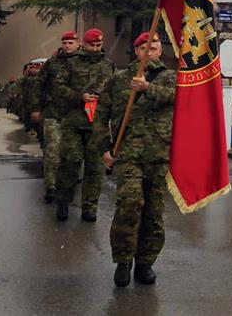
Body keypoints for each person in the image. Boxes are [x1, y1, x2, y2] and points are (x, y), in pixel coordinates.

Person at [97, 32, 175, 287]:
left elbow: (178, 99)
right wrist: (104, 148)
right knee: (129, 205)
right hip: (128, 154)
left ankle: (145, 262)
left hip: (158, 154)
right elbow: (100, 116)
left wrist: (147, 88)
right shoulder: (118, 80)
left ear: (160, 51)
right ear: (137, 50)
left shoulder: (170, 78)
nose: (150, 51)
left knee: (153, 212)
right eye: (145, 47)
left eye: (155, 47)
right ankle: (123, 261)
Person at [54, 28, 114, 223]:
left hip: (97, 125)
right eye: (92, 45)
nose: (96, 49)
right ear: (84, 44)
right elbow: (58, 87)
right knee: (70, 163)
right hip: (74, 122)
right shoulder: (71, 64)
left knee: (95, 169)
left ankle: (89, 207)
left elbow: (114, 92)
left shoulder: (108, 66)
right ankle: (63, 202)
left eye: (99, 45)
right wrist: (80, 97)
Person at [31, 31, 81, 203]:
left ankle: (69, 185)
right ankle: (51, 186)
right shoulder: (53, 63)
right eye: (65, 42)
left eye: (71, 43)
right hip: (54, 112)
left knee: (73, 153)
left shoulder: (83, 62)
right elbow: (39, 85)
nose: (67, 46)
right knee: (52, 150)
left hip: (76, 114)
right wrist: (36, 108)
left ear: (78, 43)